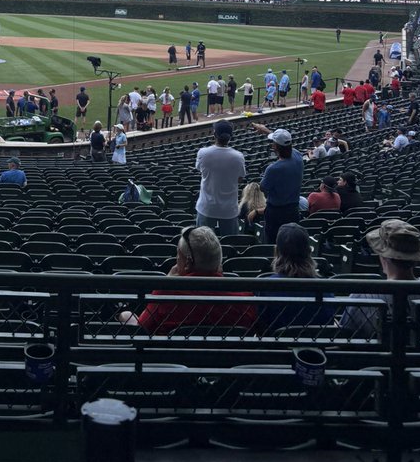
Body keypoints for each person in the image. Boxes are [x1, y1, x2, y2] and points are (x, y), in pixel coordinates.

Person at [117, 226, 256, 334]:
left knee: (126, 315)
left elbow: (143, 329)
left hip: (171, 365)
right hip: (230, 367)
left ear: (188, 262)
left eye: (178, 256)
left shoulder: (165, 294)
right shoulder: (244, 298)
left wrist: (167, 283)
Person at [339, 221, 420, 338]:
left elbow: (346, 337)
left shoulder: (363, 295)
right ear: (415, 259)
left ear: (383, 256)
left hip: (374, 356)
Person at [258, 224, 335, 333]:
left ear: (277, 252)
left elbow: (262, 326)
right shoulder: (325, 288)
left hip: (276, 348)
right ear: (308, 252)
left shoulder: (266, 287)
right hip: (316, 348)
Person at [251, 125, 304, 243]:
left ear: (275, 146)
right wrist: (268, 132)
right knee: (291, 242)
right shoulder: (298, 157)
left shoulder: (273, 169)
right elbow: (287, 146)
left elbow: (263, 188)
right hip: (293, 209)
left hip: (276, 212)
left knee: (273, 242)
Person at [194, 120, 246, 236]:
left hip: (206, 207)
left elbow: (200, 170)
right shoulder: (238, 156)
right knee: (230, 245)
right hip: (229, 209)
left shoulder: (203, 153)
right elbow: (240, 178)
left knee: (203, 243)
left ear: (214, 134)